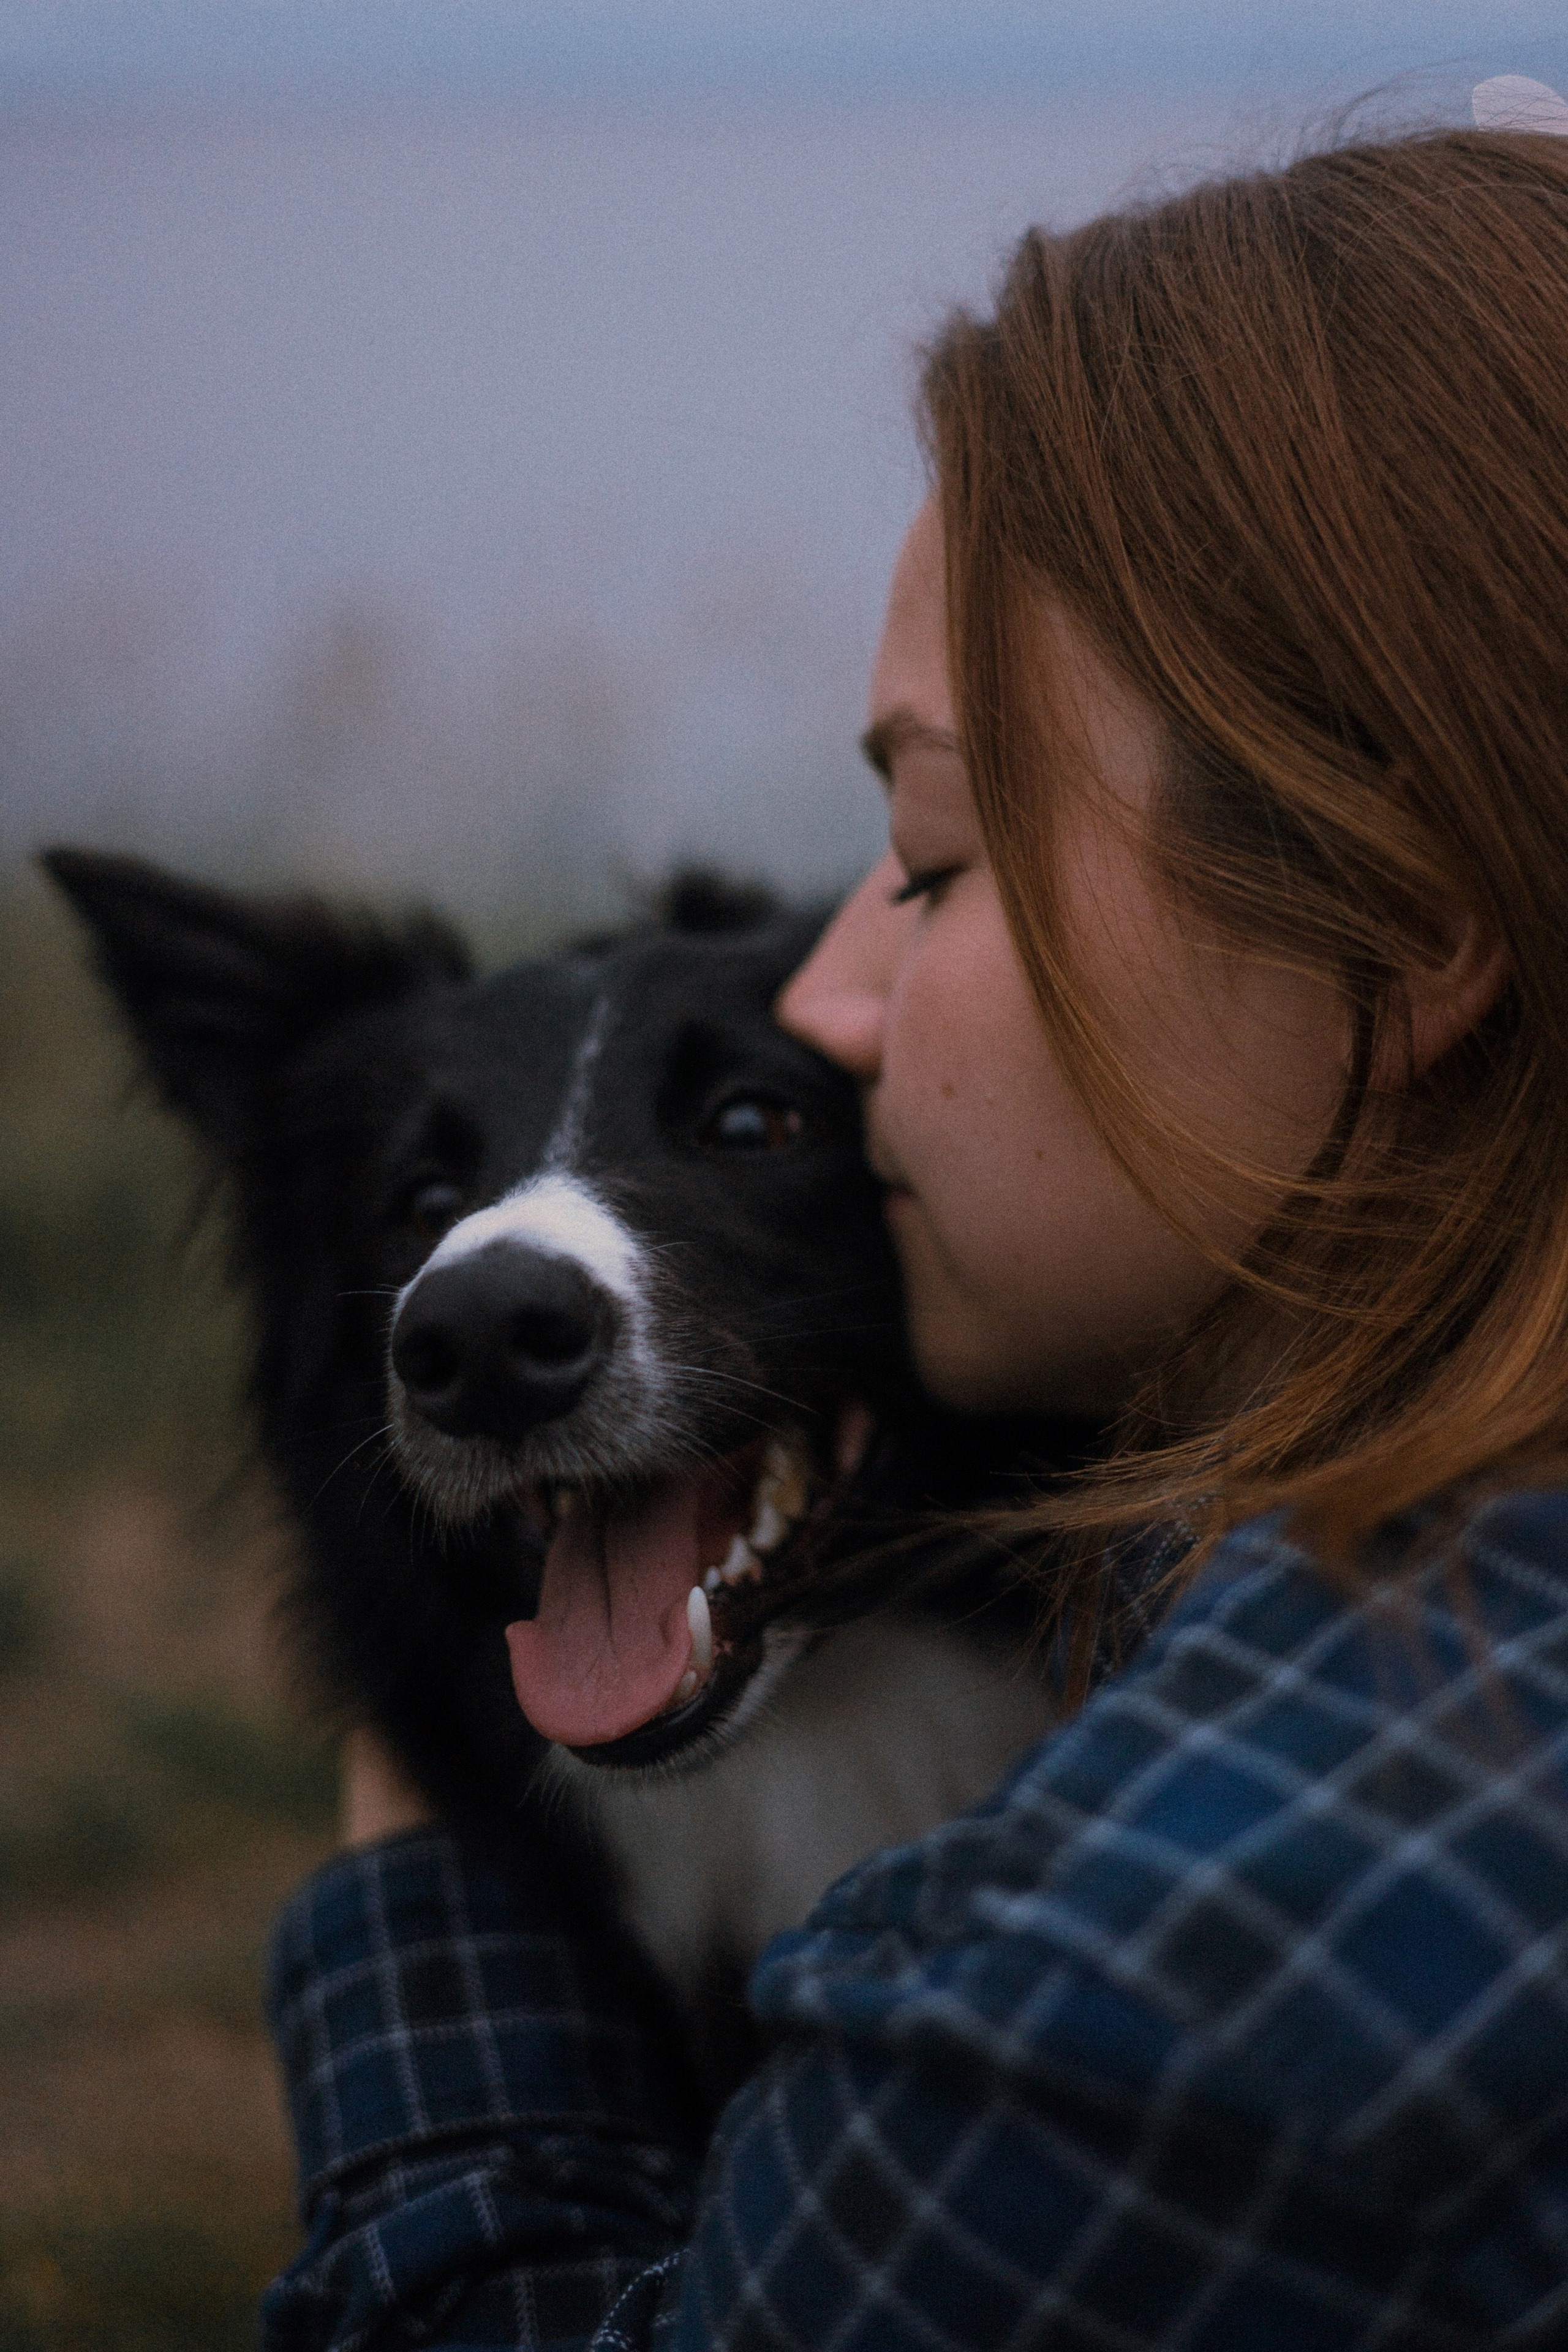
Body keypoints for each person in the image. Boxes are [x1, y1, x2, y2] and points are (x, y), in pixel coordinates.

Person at [262, 118, 1568, 2349]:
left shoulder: (1213, 1950)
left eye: (941, 857)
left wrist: (413, 1875)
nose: (829, 992)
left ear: (1406, 922)